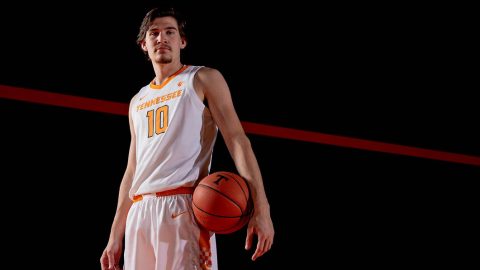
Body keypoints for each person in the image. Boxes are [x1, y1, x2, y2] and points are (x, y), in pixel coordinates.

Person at [100, 6, 274, 270]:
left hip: (182, 208)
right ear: (143, 45)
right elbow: (132, 170)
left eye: (170, 32)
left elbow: (237, 140)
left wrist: (262, 208)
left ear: (182, 41)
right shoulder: (138, 100)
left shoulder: (203, 78)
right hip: (139, 213)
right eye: (154, 33)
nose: (162, 38)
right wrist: (115, 235)